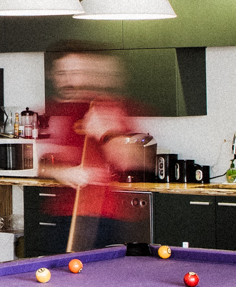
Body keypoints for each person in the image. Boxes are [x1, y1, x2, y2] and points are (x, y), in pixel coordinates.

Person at [37, 45, 152, 254]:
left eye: (73, 73)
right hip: (64, 216)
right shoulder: (60, 109)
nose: (68, 81)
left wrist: (104, 133)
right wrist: (62, 172)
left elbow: (132, 160)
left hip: (101, 217)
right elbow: (42, 164)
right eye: (61, 74)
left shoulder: (109, 108)